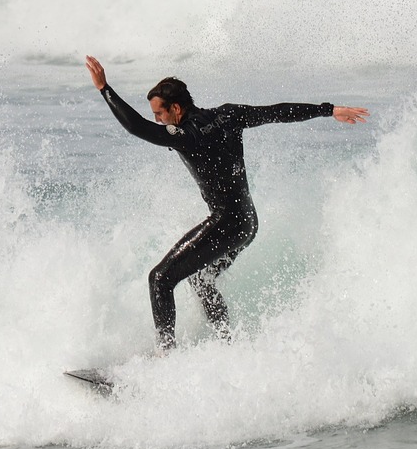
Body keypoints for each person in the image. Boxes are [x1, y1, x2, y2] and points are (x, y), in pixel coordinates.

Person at [84, 55, 369, 352]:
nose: (158, 119)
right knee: (201, 281)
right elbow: (278, 112)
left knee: (160, 279)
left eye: (160, 113)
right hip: (247, 223)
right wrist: (330, 110)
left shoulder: (187, 135)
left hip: (226, 223)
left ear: (176, 109)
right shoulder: (229, 114)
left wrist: (105, 88)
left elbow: (138, 127)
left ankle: (165, 358)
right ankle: (227, 345)